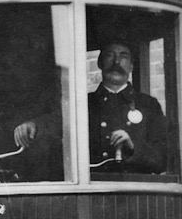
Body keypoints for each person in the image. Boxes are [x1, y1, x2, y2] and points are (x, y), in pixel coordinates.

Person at [14, 39, 167, 174]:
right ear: (100, 63)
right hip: (93, 195)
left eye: (123, 56)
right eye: (110, 55)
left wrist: (133, 146)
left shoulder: (149, 105)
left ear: (132, 66)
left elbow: (161, 158)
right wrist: (33, 125)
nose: (116, 62)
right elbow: (54, 122)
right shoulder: (83, 104)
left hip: (136, 196)